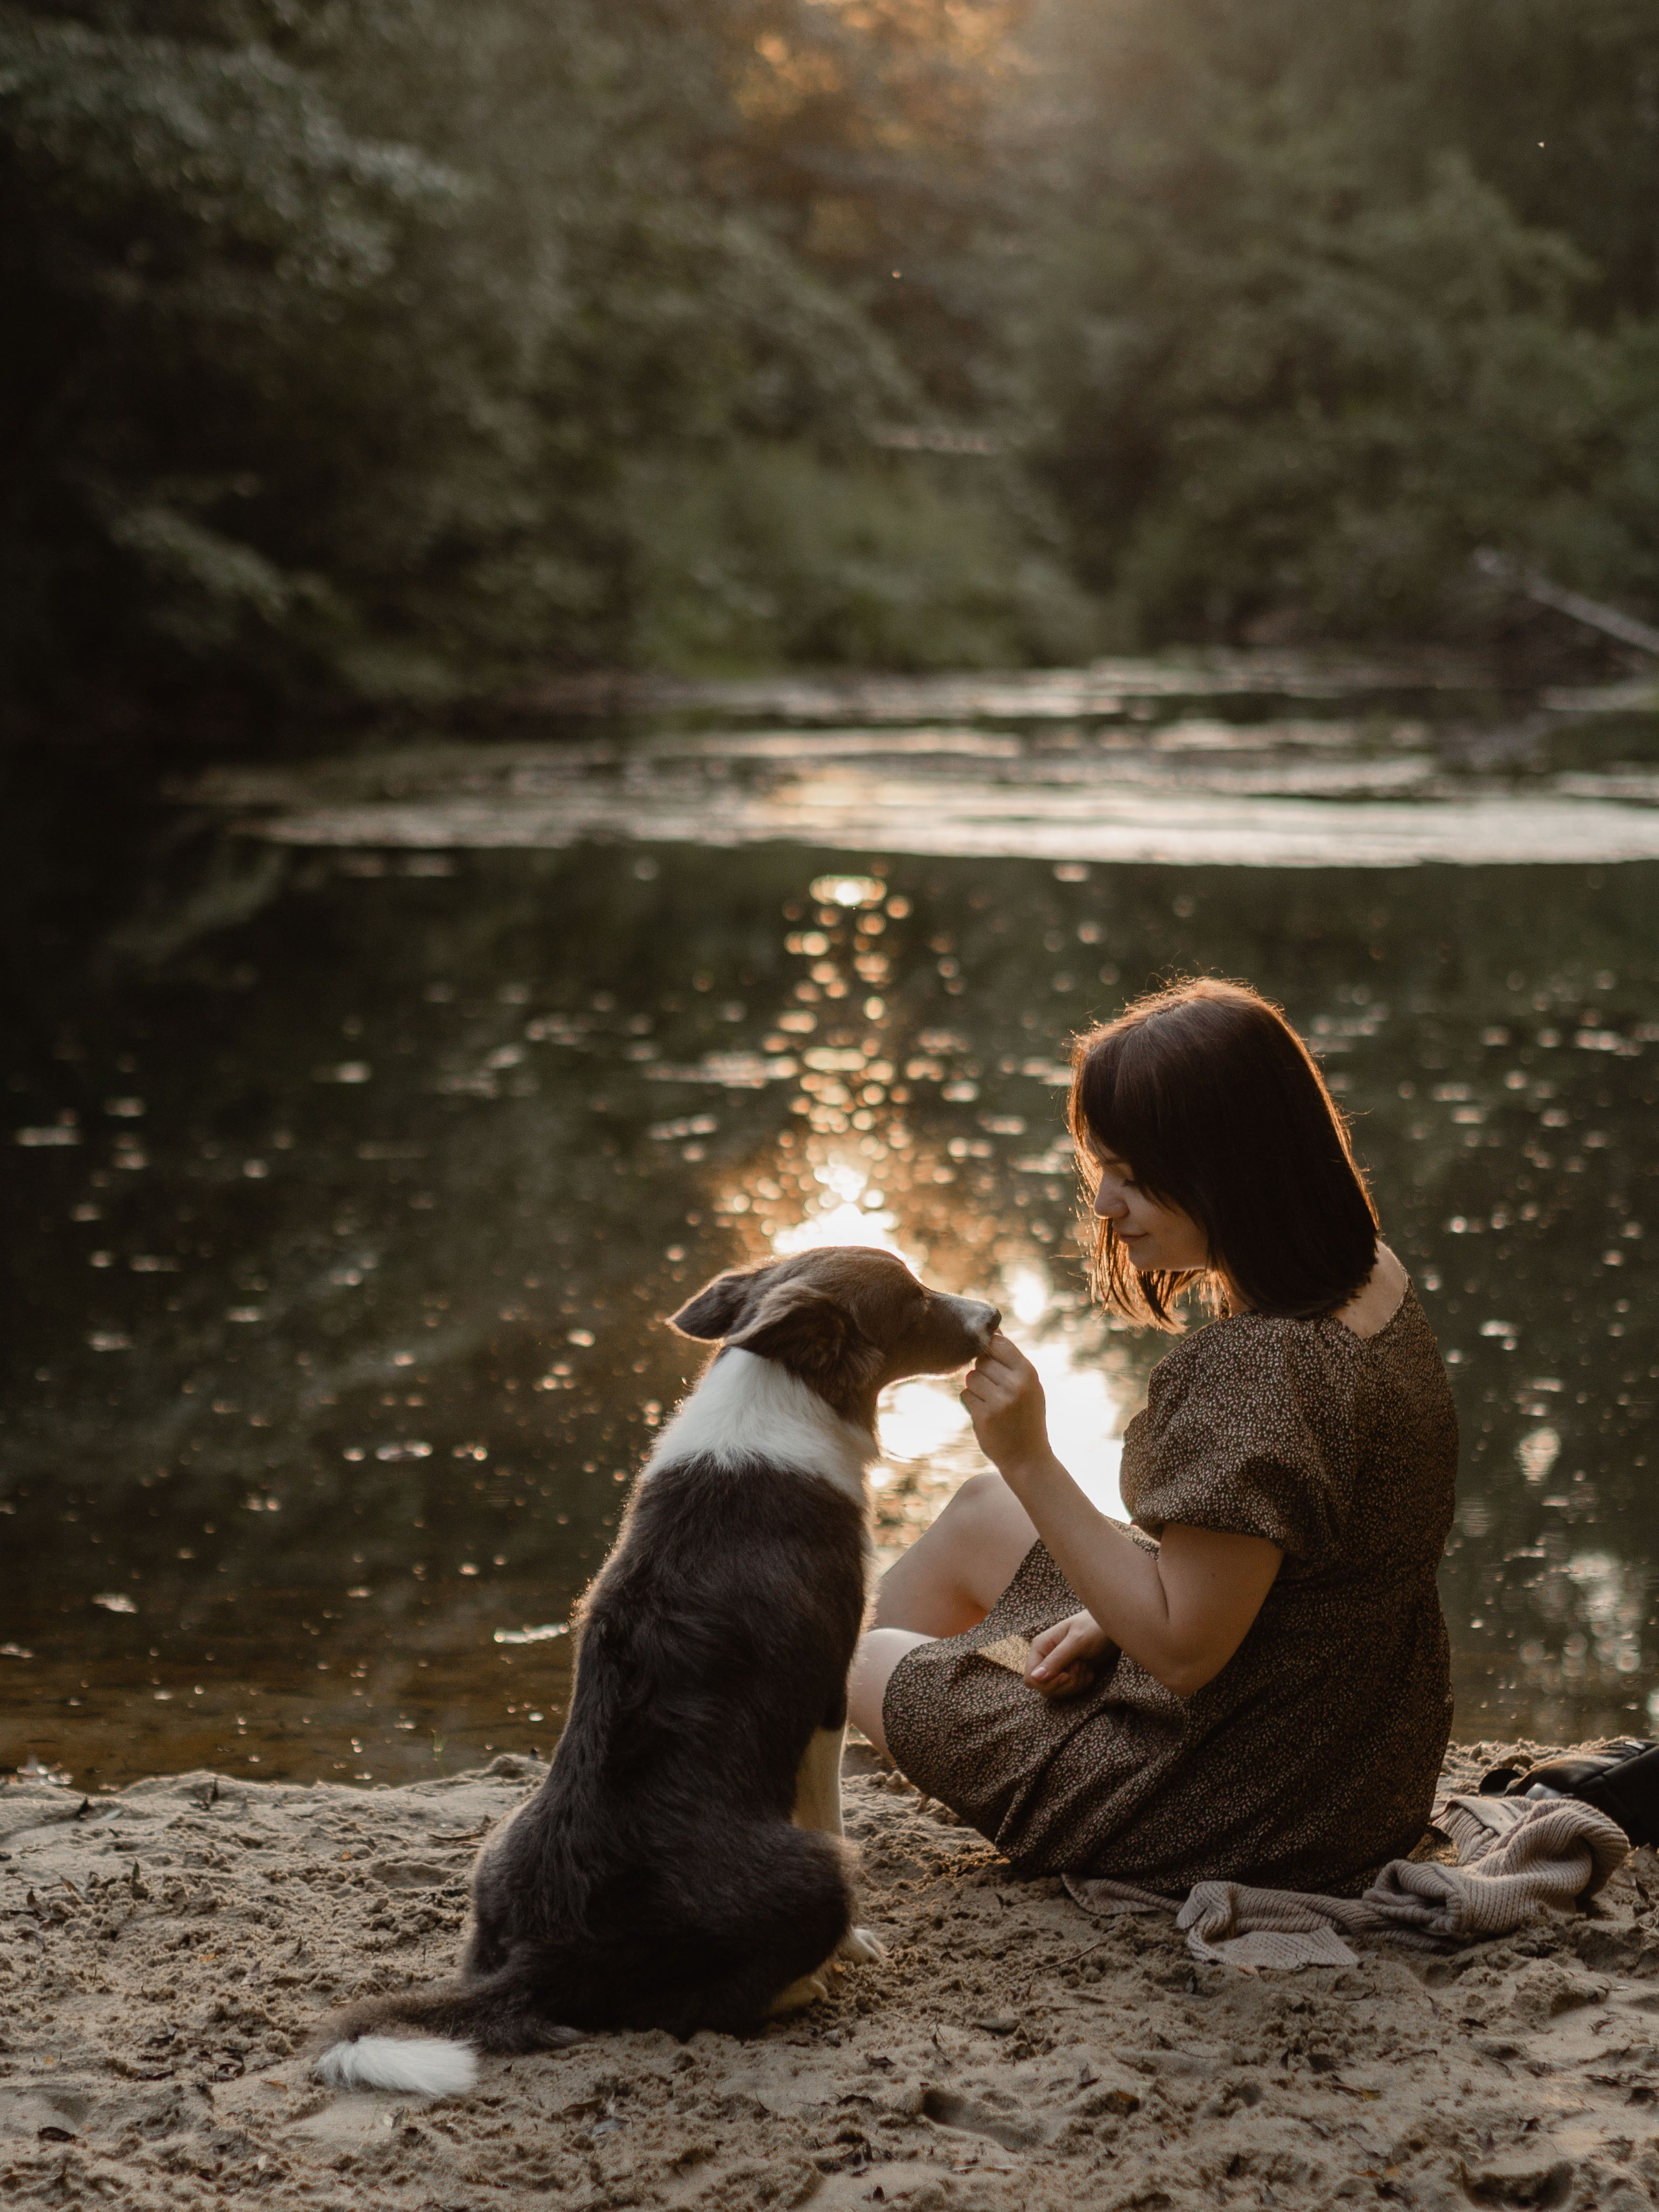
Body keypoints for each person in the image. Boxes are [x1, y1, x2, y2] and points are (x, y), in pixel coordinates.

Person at [847, 977, 1458, 1895]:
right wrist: (1102, 1613)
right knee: (981, 1512)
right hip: (1353, 1754)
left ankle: (729, 1773)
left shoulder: (1259, 1370)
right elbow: (1290, 1568)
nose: (1104, 1203)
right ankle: (798, 1756)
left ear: (1231, 1167)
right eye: (1102, 1167)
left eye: (1133, 1174)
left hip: (1239, 1807)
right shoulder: (1369, 1274)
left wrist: (1027, 1453)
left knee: (850, 1653)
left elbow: (1180, 1651)